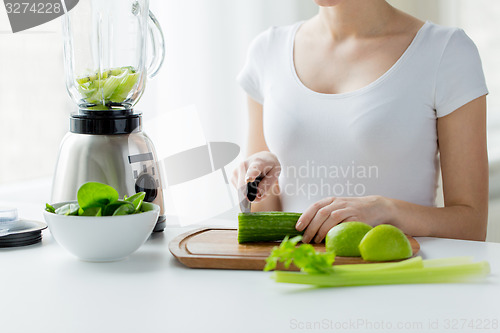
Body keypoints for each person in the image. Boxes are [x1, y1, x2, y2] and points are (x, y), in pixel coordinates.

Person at [232, 0, 488, 243]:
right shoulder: (267, 50)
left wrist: (387, 211)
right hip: (297, 278)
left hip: (399, 280)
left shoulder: (446, 51)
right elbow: (262, 213)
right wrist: (258, 184)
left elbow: (472, 225)